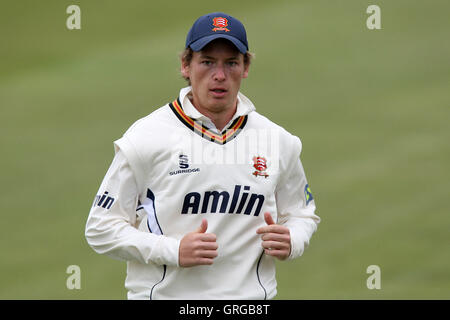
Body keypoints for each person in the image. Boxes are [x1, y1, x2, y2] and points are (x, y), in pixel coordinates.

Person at [85, 12, 320, 300]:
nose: (219, 76)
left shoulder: (278, 141)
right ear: (186, 65)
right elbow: (101, 228)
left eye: (231, 63)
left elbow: (301, 213)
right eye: (207, 62)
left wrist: (292, 239)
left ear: (245, 67)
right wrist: (174, 251)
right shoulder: (146, 137)